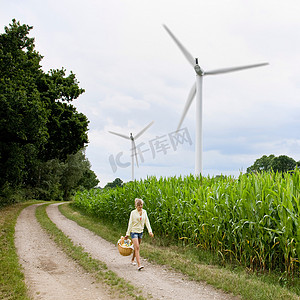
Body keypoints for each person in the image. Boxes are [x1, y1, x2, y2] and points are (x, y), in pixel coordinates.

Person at [125, 198, 153, 271]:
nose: (140, 206)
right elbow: (130, 223)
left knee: (136, 247)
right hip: (134, 232)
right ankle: (139, 265)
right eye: (139, 205)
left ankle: (132, 259)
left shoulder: (144, 212)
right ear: (136, 206)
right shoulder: (133, 213)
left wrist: (150, 231)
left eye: (141, 205)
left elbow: (147, 222)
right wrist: (127, 233)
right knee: (137, 247)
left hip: (141, 232)